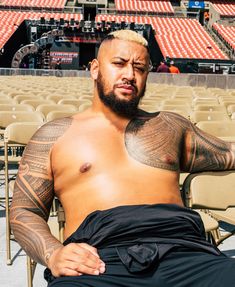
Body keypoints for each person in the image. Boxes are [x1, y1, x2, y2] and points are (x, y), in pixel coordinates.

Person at [10, 30, 235, 287]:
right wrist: (53, 252)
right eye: (119, 63)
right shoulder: (53, 136)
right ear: (94, 69)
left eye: (139, 67)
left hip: (186, 254)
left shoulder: (170, 127)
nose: (130, 74)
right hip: (99, 261)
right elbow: (25, 210)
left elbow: (228, 153)